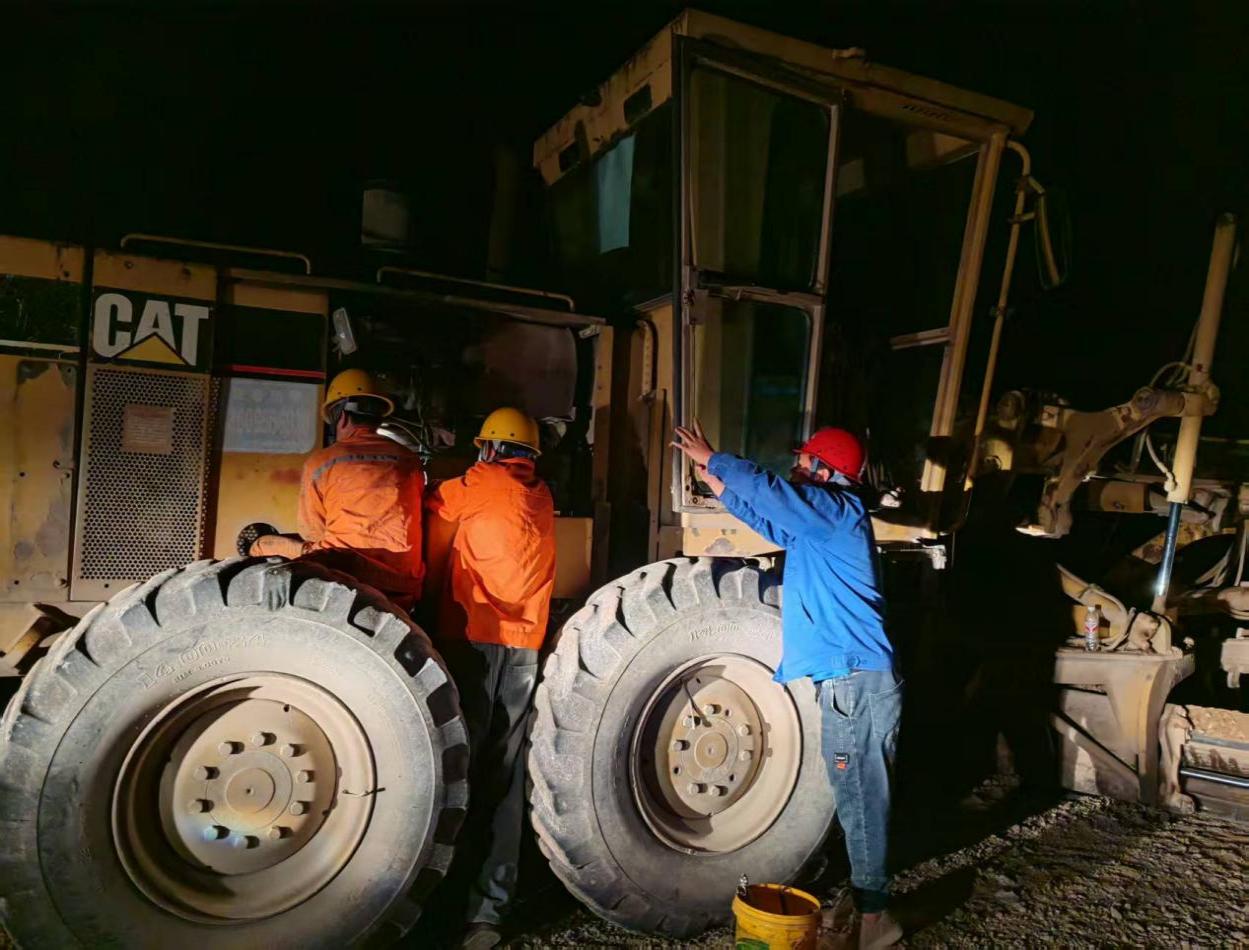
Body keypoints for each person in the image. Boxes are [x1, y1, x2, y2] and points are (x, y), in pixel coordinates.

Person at [672, 421, 903, 950]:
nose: (795, 468)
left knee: (861, 798)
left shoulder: (836, 511)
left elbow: (773, 492)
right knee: (856, 796)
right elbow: (767, 516)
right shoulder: (820, 525)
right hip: (850, 680)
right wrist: (717, 481)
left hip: (856, 681)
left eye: (804, 462)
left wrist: (716, 457)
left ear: (825, 470)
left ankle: (876, 919)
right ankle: (866, 903)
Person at [424, 407, 556, 950]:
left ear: (489, 448)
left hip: (475, 643)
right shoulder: (542, 496)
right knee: (506, 772)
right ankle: (489, 910)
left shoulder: (481, 483)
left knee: (456, 765)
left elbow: (431, 507)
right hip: (524, 647)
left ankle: (436, 898)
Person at [249, 368, 426, 604]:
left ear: (341, 417)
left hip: (346, 568)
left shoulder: (323, 461)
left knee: (261, 546)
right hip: (402, 579)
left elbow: (311, 531)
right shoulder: (410, 459)